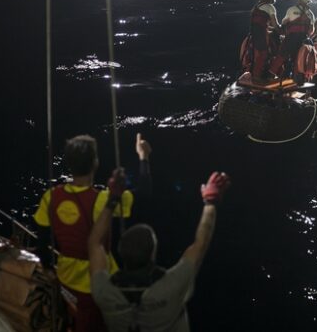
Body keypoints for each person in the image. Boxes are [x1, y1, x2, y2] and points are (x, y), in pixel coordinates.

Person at [33, 133, 152, 332]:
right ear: (95, 163)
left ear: (69, 164)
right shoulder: (103, 199)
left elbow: (42, 240)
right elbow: (144, 192)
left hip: (66, 277)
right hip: (100, 281)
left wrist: (48, 269)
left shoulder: (50, 197)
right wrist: (143, 156)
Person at [89, 170, 231, 332]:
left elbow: (94, 243)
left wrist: (112, 200)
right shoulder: (171, 286)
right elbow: (201, 242)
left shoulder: (104, 292)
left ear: (121, 252)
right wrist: (210, 202)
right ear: (152, 254)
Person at [268, 0, 315, 79]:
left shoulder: (291, 10)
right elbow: (311, 30)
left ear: (299, 0)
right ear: (307, 2)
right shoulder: (311, 14)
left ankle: (270, 76)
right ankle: (295, 78)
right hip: (303, 39)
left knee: (281, 56)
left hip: (291, 38)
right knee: (298, 59)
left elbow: (284, 23)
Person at [249, 0, 280, 83]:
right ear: (271, 0)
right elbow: (275, 24)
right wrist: (280, 31)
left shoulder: (256, 7)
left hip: (253, 32)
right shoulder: (270, 7)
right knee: (263, 54)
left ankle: (256, 73)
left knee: (258, 53)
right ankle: (257, 77)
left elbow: (260, 22)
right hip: (261, 33)